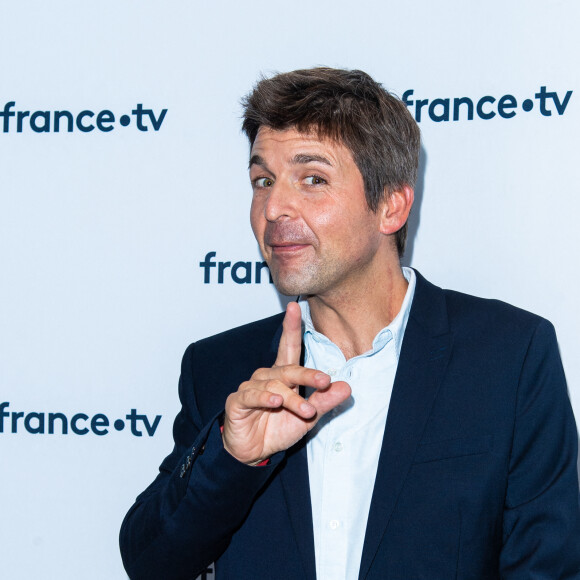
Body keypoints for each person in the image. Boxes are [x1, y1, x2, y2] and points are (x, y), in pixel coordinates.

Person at [120, 67, 580, 579]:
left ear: (391, 206)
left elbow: (548, 567)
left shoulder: (508, 356)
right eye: (262, 181)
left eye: (312, 179)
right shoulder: (220, 369)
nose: (273, 207)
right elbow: (150, 563)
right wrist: (231, 459)